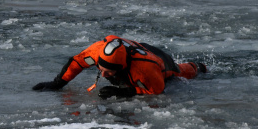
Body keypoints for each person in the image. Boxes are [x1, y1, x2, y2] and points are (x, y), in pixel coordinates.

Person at [33, 35, 206, 99]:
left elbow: (156, 90)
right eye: (100, 68)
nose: (103, 73)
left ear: (121, 67)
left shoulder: (145, 69)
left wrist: (125, 92)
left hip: (157, 60)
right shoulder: (97, 52)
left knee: (179, 72)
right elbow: (77, 63)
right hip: (134, 48)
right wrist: (57, 83)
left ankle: (199, 66)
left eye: (108, 72)